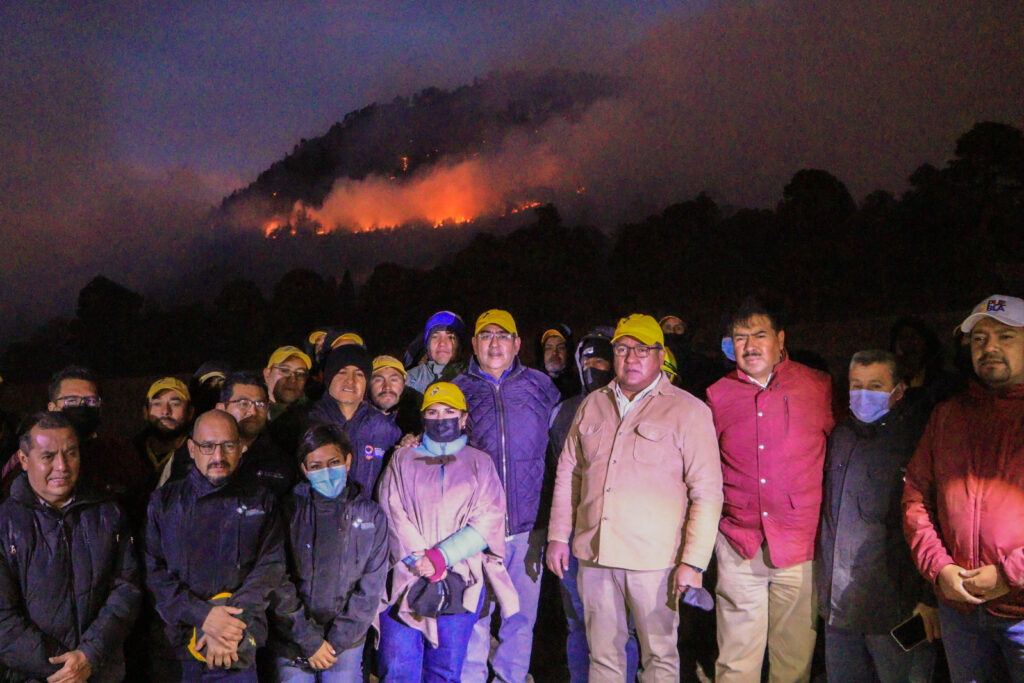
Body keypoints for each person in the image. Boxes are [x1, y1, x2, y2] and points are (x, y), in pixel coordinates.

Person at [547, 314, 723, 683]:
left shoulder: (689, 411)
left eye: (643, 349)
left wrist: (693, 561)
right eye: (623, 349)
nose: (631, 357)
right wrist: (558, 536)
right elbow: (569, 474)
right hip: (595, 558)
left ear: (661, 355)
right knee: (603, 657)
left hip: (656, 564)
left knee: (659, 658)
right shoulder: (592, 405)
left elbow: (707, 492)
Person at [705, 296, 834, 683]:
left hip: (799, 547)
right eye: (739, 337)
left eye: (759, 335)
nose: (750, 346)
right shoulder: (716, 395)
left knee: (793, 663)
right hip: (738, 545)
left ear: (780, 339)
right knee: (734, 663)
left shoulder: (818, 386)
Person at [903, 294, 1024, 682]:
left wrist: (1009, 575)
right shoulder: (948, 415)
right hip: (961, 614)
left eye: (1005, 337)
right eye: (978, 339)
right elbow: (916, 498)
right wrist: (939, 570)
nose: (989, 347)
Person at [377, 382, 519, 683]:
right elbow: (392, 511)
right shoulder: (401, 459)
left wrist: (441, 557)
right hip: (407, 576)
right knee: (398, 668)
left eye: (449, 411)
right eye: (433, 411)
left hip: (459, 578)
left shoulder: (480, 463)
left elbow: (489, 518)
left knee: (445, 671)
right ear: (423, 417)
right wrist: (421, 559)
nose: (441, 418)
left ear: (463, 418)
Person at [453, 309, 561, 683]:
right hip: (476, 531)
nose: (494, 343)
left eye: (503, 336)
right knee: (475, 616)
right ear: (474, 344)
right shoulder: (458, 390)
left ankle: (510, 679)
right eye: (486, 336)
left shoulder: (541, 386)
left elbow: (563, 449)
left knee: (520, 619)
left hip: (528, 527)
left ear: (517, 344)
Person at [818, 350, 936, 682]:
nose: (863, 394)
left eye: (875, 386)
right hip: (839, 611)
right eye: (856, 385)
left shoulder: (918, 438)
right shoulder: (840, 436)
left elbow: (933, 519)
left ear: (898, 390)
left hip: (896, 611)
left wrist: (928, 599)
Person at [145, 409, 286, 681]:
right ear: (191, 449)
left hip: (237, 644)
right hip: (178, 647)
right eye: (208, 447)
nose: (218, 457)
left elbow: (270, 567)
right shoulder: (164, 502)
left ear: (241, 448)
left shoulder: (261, 501)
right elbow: (153, 572)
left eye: (228, 446)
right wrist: (203, 617)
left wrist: (229, 626)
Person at [0, 411, 141, 682]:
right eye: (48, 456)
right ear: (24, 460)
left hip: (99, 669)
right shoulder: (5, 525)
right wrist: (62, 669)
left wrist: (89, 655)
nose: (62, 466)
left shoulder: (109, 513)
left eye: (71, 453)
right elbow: (4, 620)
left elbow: (127, 588)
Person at [545, 327, 639, 683]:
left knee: (621, 627)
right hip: (572, 535)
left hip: (619, 535)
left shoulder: (630, 408)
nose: (593, 366)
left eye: (602, 359)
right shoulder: (564, 411)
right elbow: (558, 472)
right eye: (587, 360)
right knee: (578, 623)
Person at [268, 424, 389, 682]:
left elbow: (371, 587)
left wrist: (336, 642)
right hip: (293, 640)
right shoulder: (287, 512)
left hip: (346, 644)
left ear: (348, 461)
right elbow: (277, 578)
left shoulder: (372, 516)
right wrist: (308, 640)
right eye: (316, 466)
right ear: (304, 469)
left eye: (334, 462)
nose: (327, 471)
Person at [0, 366, 146, 503]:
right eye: (72, 401)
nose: (82, 406)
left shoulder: (120, 453)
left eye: (91, 400)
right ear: (52, 407)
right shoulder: (31, 453)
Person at [307, 344, 401, 495]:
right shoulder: (307, 423)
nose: (350, 381)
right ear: (329, 377)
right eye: (342, 372)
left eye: (359, 374)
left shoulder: (384, 428)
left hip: (368, 516)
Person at [132, 377, 193, 502]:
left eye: (175, 404)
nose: (165, 411)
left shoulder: (200, 455)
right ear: (145, 412)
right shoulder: (127, 453)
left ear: (190, 413)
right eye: (157, 403)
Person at [406, 311, 468, 393]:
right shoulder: (409, 379)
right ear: (427, 344)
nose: (442, 343)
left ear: (460, 344)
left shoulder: (475, 379)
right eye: (435, 336)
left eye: (450, 337)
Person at [369, 354, 423, 436]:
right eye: (379, 380)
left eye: (394, 380)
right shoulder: (354, 418)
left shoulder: (421, 414)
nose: (387, 387)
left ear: (404, 383)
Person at [264, 346, 313, 419]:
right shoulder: (249, 412)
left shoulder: (314, 415)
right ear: (267, 374)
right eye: (285, 370)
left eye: (300, 374)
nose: (293, 380)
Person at [536, 324, 581, 400]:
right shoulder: (531, 387)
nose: (554, 353)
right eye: (549, 348)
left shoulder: (580, 388)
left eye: (560, 347)